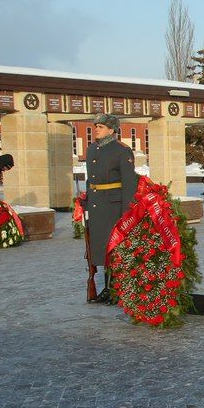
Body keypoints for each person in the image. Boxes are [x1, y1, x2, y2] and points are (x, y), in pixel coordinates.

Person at [85, 113, 138, 304]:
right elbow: (90, 178)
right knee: (100, 248)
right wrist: (86, 198)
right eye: (95, 125)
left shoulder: (121, 151)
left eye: (101, 125)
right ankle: (108, 288)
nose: (96, 128)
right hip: (97, 205)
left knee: (114, 248)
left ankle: (117, 288)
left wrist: (127, 213)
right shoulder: (92, 149)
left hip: (114, 206)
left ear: (112, 129)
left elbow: (129, 184)